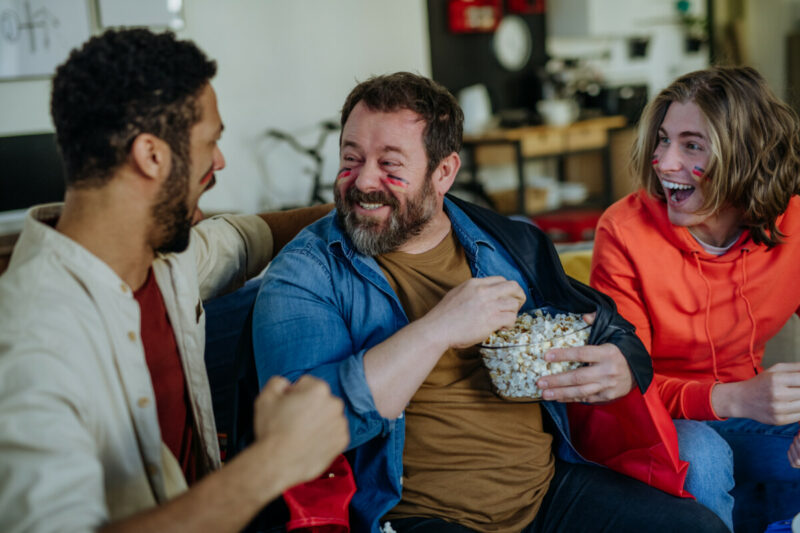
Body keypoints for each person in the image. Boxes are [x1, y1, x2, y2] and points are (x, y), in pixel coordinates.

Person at [252, 71, 728, 533]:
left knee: (698, 528)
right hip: (415, 515)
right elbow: (298, 434)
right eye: (351, 159)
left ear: (443, 173)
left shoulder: (507, 242)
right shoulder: (307, 272)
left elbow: (608, 326)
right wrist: (436, 329)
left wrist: (622, 364)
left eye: (390, 165)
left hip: (549, 492)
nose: (363, 182)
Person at [0, 29, 348, 532]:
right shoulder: (29, 340)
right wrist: (275, 462)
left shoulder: (159, 259)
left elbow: (244, 236)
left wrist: (352, 210)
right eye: (211, 141)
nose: (220, 160)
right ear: (152, 155)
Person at [590, 65, 800, 531]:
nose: (663, 163)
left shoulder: (795, 222)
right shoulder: (623, 231)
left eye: (691, 145)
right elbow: (626, 386)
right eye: (663, 140)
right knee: (702, 454)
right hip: (655, 425)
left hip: (745, 419)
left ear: (744, 156)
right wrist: (733, 398)